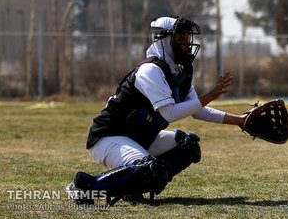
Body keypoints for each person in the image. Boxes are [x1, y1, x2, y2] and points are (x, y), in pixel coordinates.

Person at [67, 16, 247, 206]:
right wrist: (210, 95)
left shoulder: (179, 71)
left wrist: (240, 120)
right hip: (109, 136)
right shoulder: (150, 70)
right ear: (164, 39)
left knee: (188, 146)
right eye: (182, 38)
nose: (187, 44)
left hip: (140, 137)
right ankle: (86, 187)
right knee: (149, 169)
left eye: (188, 39)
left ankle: (133, 187)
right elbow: (168, 113)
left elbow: (198, 110)